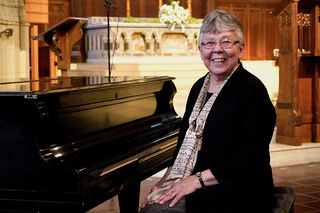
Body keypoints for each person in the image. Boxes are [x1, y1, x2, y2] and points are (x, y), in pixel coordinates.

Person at [139, 9, 276, 213]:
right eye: (209, 43)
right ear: (200, 49)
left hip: (238, 188)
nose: (217, 50)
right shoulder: (198, 87)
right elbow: (183, 144)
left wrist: (194, 181)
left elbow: (249, 159)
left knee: (157, 212)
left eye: (226, 42)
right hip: (202, 181)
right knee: (154, 203)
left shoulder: (252, 91)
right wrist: (166, 181)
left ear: (241, 49)